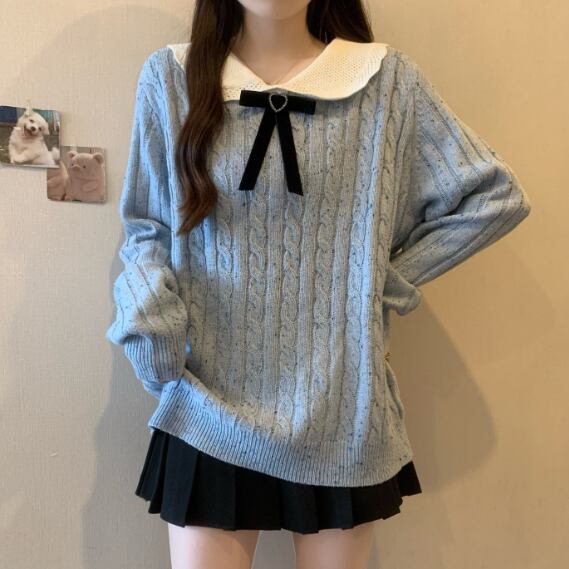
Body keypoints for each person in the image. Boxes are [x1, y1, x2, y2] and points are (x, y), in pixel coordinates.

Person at [106, 1, 532, 568]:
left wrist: (383, 283)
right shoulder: (171, 78)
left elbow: (493, 197)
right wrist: (150, 325)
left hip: (342, 411)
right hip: (206, 405)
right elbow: (146, 227)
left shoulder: (386, 82)